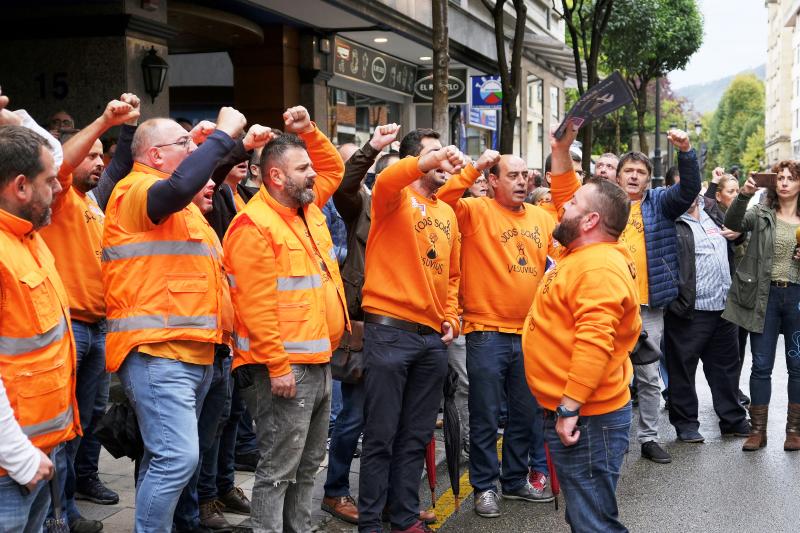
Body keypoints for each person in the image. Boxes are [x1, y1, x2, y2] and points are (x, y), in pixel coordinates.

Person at [101, 107, 246, 531]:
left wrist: (208, 144)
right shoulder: (133, 191)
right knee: (177, 458)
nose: (192, 150)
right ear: (155, 155)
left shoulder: (183, 207)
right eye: (183, 144)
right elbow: (183, 184)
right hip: (157, 352)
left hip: (193, 352)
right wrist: (221, 135)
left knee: (166, 457)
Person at [223, 106, 348, 532]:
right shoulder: (253, 225)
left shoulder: (305, 209)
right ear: (276, 176)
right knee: (279, 469)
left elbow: (334, 168)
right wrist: (278, 366)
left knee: (308, 464)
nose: (313, 174)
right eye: (303, 168)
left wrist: (308, 129)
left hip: (316, 360)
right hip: (283, 368)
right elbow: (253, 306)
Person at [550, 128, 701, 465]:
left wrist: (686, 152)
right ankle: (608, 437)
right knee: (603, 373)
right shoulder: (603, 206)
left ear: (649, 179)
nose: (634, 176)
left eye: (641, 172)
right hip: (604, 305)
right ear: (617, 176)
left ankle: (649, 437)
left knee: (648, 377)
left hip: (646, 307)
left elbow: (689, 189)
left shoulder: (660, 203)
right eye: (628, 171)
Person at [523, 120, 639, 533]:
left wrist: (570, 408)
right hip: (586, 413)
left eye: (572, 203)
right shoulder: (587, 247)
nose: (562, 206)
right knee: (587, 515)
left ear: (589, 221)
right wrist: (560, 151)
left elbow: (595, 344)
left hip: (588, 417)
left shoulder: (597, 268)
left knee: (593, 523)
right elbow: (566, 195)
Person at [437, 150, 559, 518]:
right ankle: (485, 486)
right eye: (512, 175)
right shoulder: (475, 210)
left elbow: (557, 264)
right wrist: (472, 167)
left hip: (531, 333)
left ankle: (515, 480)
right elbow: (443, 199)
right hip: (486, 331)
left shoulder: (542, 218)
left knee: (525, 413)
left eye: (525, 175)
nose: (522, 182)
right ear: (492, 181)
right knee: (486, 415)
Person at [40, 95, 140, 533]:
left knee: (87, 420)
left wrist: (127, 128)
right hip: (70, 327)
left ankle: (77, 491)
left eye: (103, 156)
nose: (100, 163)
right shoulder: (59, 195)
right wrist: (104, 121)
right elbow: (62, 162)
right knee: (64, 427)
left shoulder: (92, 201)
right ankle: (59, 513)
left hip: (98, 328)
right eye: (92, 156)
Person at [357, 130, 466, 533]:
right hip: (389, 331)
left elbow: (452, 276)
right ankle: (370, 523)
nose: (443, 160)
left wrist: (452, 317)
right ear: (414, 160)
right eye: (433, 153)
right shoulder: (392, 197)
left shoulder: (447, 213)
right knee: (381, 436)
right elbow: (387, 177)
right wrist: (428, 159)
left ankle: (403, 518)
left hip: (431, 339)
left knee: (416, 436)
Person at [0, 122, 79, 532]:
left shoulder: (28, 238)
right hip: (12, 467)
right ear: (20, 187)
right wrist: (19, 457)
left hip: (39, 451)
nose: (59, 187)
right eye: (50, 181)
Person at [322, 124, 401, 525]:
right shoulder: (362, 206)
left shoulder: (418, 214)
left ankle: (387, 498)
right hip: (364, 325)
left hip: (402, 328)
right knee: (352, 417)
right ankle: (335, 491)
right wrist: (371, 147)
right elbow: (344, 185)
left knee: (392, 421)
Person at [723, 162, 800, 452]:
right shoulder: (761, 212)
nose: (784, 183)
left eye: (791, 178)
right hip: (765, 296)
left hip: (797, 298)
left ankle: (794, 431)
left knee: (797, 366)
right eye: (780, 178)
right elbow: (733, 223)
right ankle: (757, 432)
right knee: (761, 365)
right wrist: (743, 194)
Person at [664, 193, 750, 442]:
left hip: (723, 306)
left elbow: (735, 235)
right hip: (690, 309)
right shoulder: (670, 218)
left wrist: (739, 233)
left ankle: (733, 420)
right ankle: (686, 424)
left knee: (726, 368)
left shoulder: (712, 211)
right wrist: (674, 299)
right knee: (682, 370)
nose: (691, 193)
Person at [705, 168, 749, 406]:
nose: (736, 195)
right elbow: (706, 205)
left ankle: (733, 389)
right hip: (719, 292)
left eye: (737, 190)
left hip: (741, 289)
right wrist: (713, 183)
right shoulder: (712, 217)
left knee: (739, 345)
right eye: (731, 191)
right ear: (719, 196)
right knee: (722, 349)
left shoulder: (744, 216)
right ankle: (725, 391)